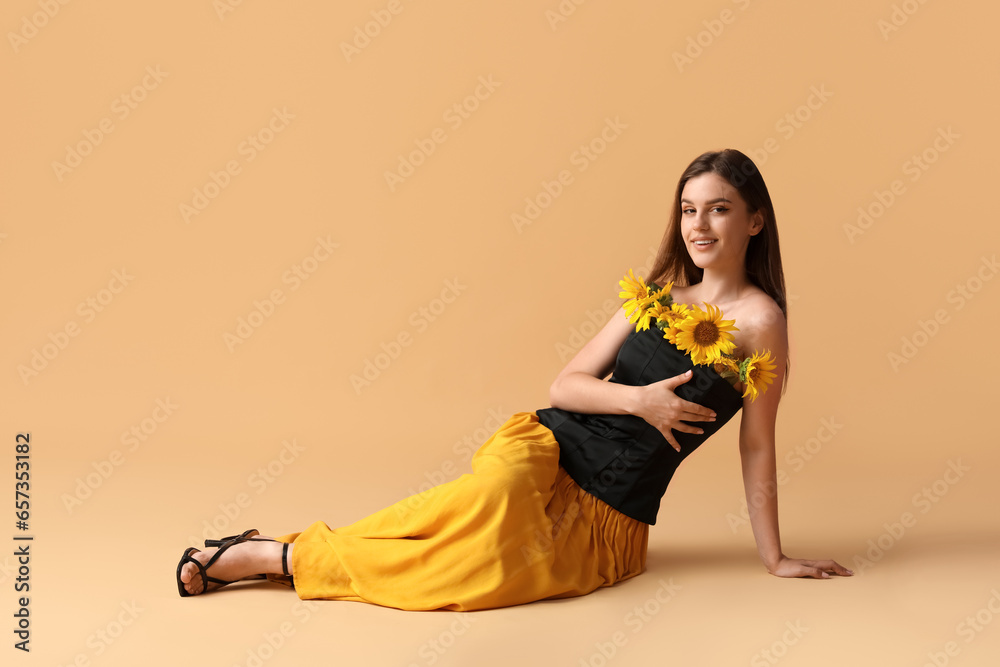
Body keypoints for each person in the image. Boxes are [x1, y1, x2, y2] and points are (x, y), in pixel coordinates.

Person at [176, 148, 853, 609]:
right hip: (545, 448)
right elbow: (567, 385)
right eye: (688, 208)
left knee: (463, 572)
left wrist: (775, 556)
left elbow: (757, 443)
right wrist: (639, 400)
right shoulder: (656, 298)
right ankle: (278, 558)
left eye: (719, 208)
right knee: (485, 498)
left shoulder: (762, 323)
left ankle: (276, 552)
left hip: (605, 516)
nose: (699, 224)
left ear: (755, 219)